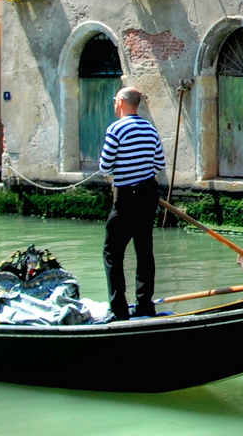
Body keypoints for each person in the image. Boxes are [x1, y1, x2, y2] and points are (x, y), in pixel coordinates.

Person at [99, 86, 165, 320]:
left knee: (111, 253)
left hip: (127, 197)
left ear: (122, 102)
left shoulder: (115, 129)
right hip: (148, 196)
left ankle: (118, 309)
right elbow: (159, 164)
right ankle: (145, 304)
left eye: (115, 100)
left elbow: (105, 167)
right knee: (144, 251)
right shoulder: (150, 129)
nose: (114, 104)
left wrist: (122, 169)